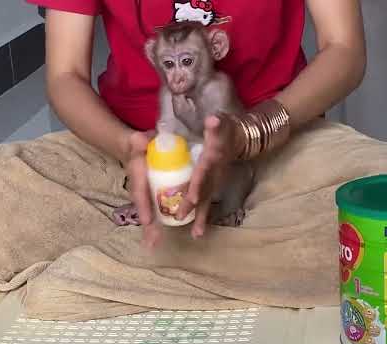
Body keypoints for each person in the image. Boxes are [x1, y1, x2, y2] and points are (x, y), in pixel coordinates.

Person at [26, 0, 366, 245]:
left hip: (285, 137)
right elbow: (65, 75)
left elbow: (344, 48)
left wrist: (252, 133)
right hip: (128, 151)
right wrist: (128, 147)